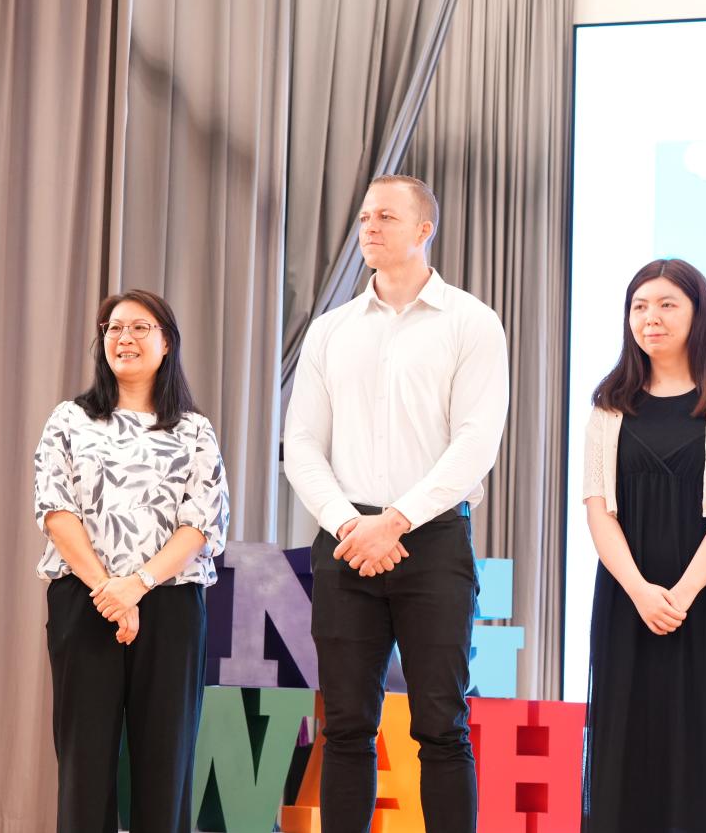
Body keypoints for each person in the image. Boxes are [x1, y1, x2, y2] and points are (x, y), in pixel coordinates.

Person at [283, 174, 509, 833]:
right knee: (346, 725)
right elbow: (301, 444)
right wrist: (351, 525)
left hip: (432, 541)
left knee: (442, 725)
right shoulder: (330, 331)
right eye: (364, 218)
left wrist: (397, 521)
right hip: (347, 540)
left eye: (385, 216)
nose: (370, 228)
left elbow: (475, 442)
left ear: (423, 230)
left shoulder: (471, 322)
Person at [33, 289, 229, 833]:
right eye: (114, 328)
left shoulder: (194, 429)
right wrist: (109, 591)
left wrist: (136, 586)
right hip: (85, 600)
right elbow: (55, 511)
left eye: (140, 328)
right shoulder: (69, 419)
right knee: (84, 766)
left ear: (166, 343)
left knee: (166, 765)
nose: (125, 338)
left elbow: (201, 524)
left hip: (170, 606)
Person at [580, 258, 706, 833]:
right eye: (639, 306)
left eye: (666, 305)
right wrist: (641, 592)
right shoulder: (609, 404)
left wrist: (680, 595)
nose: (650, 317)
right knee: (628, 744)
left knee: (705, 743)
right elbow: (598, 509)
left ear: (698, 314)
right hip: (628, 598)